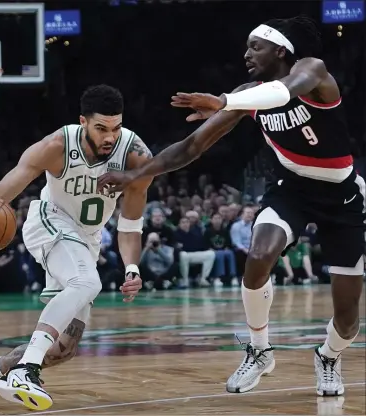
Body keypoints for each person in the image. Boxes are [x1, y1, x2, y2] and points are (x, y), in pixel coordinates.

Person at [97, 17, 365, 397]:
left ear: (281, 51)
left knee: (349, 318)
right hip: (292, 190)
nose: (246, 53)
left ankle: (328, 356)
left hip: (344, 198)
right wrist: (138, 176)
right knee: (259, 253)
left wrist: (225, 101)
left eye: (256, 46)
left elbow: (286, 91)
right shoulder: (247, 95)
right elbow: (191, 147)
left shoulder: (312, 70)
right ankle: (259, 349)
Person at [0, 85, 153, 411]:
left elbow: (130, 224)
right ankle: (25, 370)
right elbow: (2, 192)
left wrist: (132, 268)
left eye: (116, 128)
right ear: (83, 122)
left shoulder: (135, 157)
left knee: (63, 348)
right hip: (50, 222)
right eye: (101, 128)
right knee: (87, 282)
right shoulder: (57, 146)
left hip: (87, 240)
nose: (109, 137)